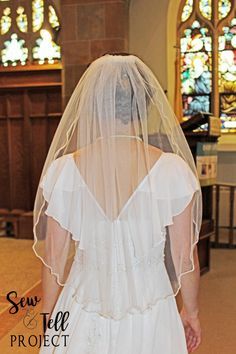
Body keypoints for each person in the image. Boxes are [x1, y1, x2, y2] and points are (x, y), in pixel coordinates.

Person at [33, 53, 202, 353]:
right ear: (144, 106)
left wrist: (50, 320)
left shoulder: (64, 173)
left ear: (94, 105)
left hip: (83, 305)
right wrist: (192, 312)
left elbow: (54, 259)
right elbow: (184, 258)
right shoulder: (172, 171)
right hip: (151, 308)